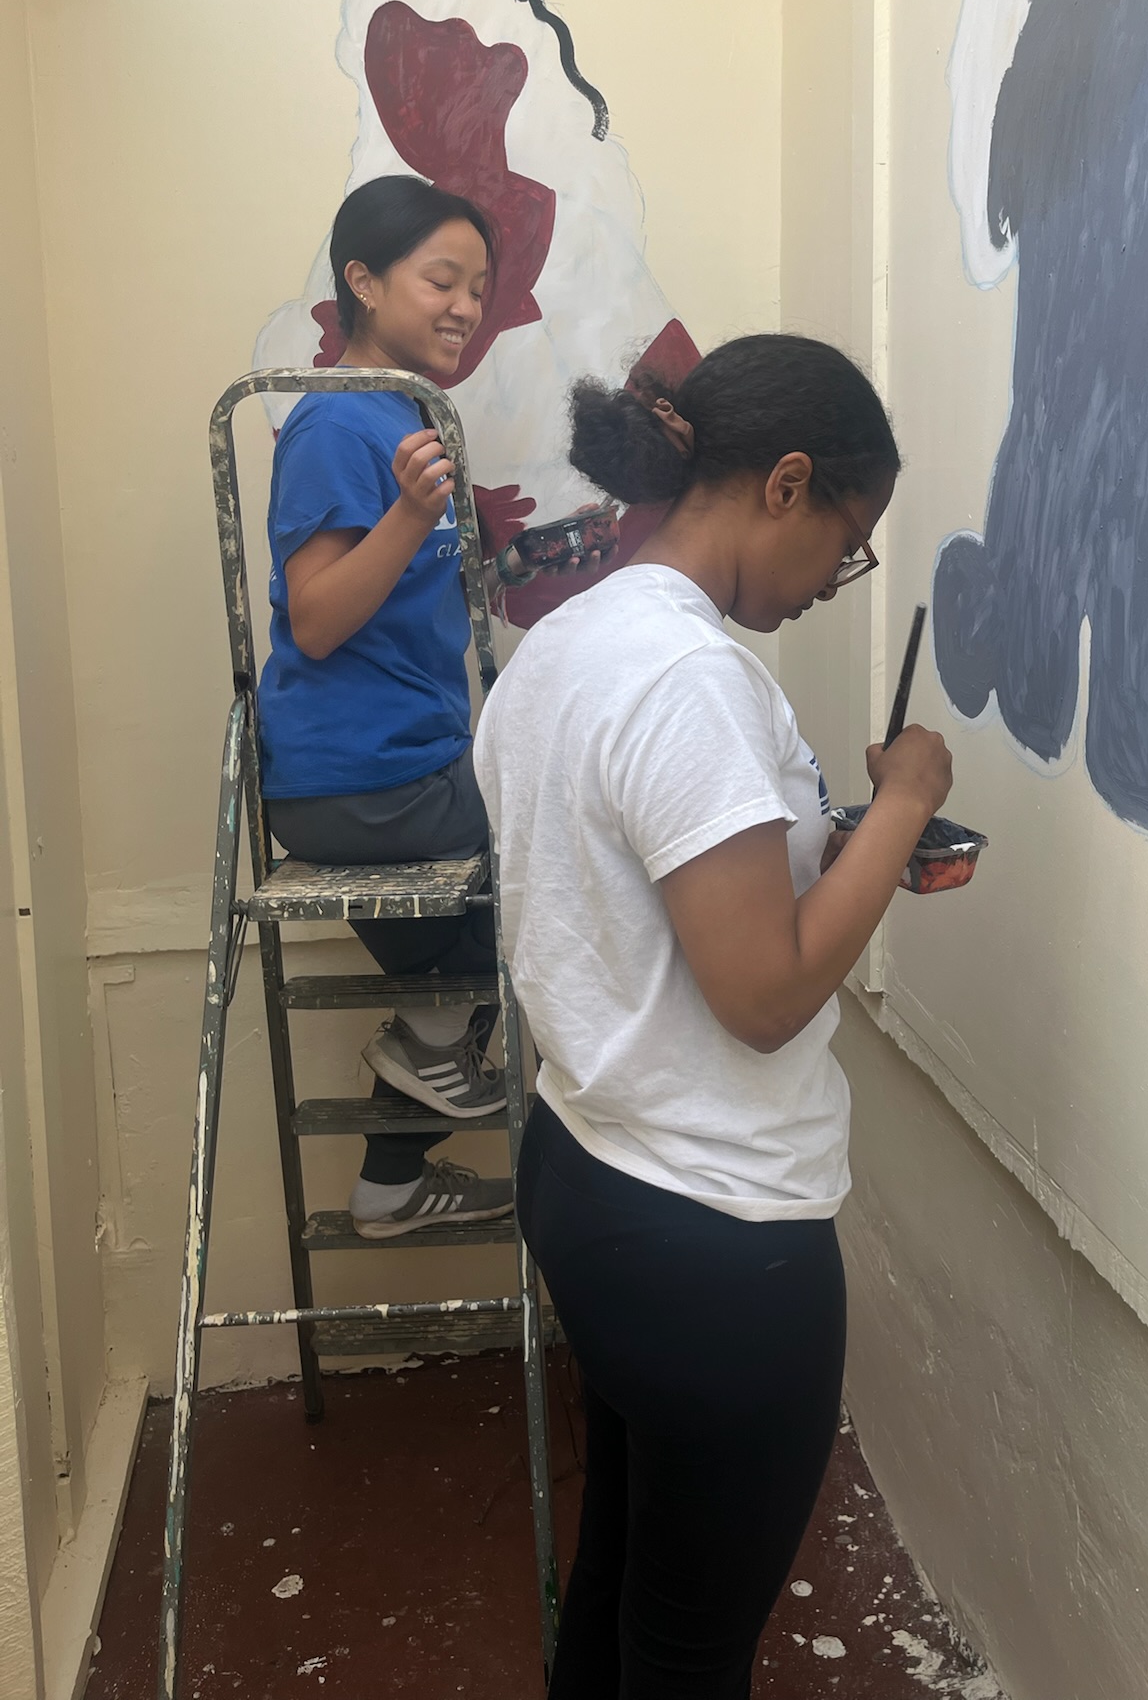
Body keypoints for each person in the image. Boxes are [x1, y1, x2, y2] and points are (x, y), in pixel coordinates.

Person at [474, 333, 954, 1697]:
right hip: (715, 1235)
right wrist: (906, 803)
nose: (832, 584)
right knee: (689, 1654)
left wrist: (834, 846)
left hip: (591, 1167)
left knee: (625, 1590)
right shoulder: (691, 678)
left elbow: (639, 892)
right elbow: (760, 992)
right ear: (787, 484)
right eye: (847, 545)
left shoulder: (566, 640)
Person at [259, 173, 517, 1238]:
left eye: (480, 286)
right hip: (365, 784)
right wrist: (413, 519)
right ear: (362, 281)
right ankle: (424, 1062)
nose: (466, 304)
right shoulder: (338, 422)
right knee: (562, 850)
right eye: (442, 279)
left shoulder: (409, 410)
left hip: (394, 772)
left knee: (458, 976)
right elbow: (316, 619)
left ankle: (389, 1184)